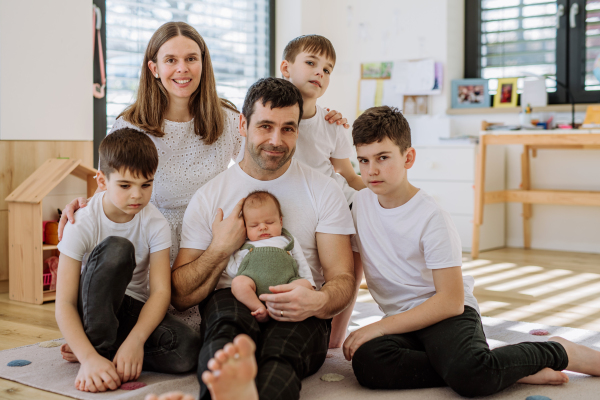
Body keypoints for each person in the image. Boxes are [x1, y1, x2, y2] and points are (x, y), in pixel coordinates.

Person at [58, 22, 348, 332]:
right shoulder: (130, 124)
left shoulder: (224, 119)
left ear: (203, 63)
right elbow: (116, 182)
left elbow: (267, 154)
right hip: (148, 243)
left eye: (191, 59)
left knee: (192, 343)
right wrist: (88, 204)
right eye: (171, 60)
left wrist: (321, 119)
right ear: (154, 68)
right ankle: (97, 327)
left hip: (203, 244)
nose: (182, 69)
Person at [342, 106, 600, 398]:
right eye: (363, 160)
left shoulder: (431, 216)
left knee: (470, 377)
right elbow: (352, 267)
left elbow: (450, 301)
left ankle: (559, 350)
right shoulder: (360, 205)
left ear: (408, 158)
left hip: (446, 315)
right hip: (403, 322)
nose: (371, 170)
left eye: (383, 158)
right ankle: (501, 367)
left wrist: (380, 326)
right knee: (367, 363)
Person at [171, 77, 356, 400]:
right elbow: (181, 295)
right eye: (265, 126)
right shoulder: (210, 196)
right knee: (223, 342)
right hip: (233, 299)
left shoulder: (324, 191)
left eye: (288, 128)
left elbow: (342, 277)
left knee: (280, 355)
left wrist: (320, 301)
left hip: (302, 305)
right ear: (243, 124)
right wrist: (220, 248)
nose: (276, 139)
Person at [55, 129, 200, 393]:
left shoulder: (155, 222)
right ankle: (94, 356)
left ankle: (110, 352)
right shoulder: (83, 220)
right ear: (102, 181)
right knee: (118, 249)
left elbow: (159, 292)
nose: (137, 195)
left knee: (188, 349)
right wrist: (88, 357)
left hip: (130, 310)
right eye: (125, 185)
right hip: (92, 305)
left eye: (146, 184)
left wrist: (136, 341)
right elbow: (64, 301)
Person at [281, 34, 365, 205]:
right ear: (286, 68)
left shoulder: (332, 123)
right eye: (310, 63)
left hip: (341, 202)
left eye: (327, 70)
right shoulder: (262, 120)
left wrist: (391, 196)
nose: (320, 72)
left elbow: (349, 177)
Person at [229, 190, 316, 323]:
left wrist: (310, 284)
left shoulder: (286, 240)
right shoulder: (245, 245)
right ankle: (258, 307)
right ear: (245, 228)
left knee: (304, 283)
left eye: (269, 222)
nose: (263, 227)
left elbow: (301, 262)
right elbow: (234, 271)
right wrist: (228, 253)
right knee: (238, 283)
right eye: (254, 225)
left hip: (286, 285)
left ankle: (281, 306)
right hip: (254, 285)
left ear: (280, 221)